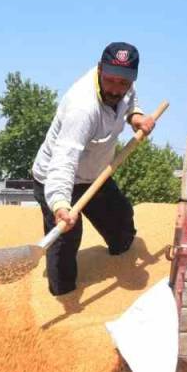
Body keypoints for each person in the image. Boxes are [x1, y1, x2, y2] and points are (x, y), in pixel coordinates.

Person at [31, 42, 156, 296]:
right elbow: (63, 161)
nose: (116, 89)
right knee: (66, 240)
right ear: (100, 69)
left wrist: (136, 118)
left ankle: (119, 258)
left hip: (95, 175)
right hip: (56, 178)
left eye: (124, 83)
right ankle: (62, 296)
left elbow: (130, 103)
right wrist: (60, 206)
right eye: (110, 81)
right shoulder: (82, 108)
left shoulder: (125, 87)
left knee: (122, 220)